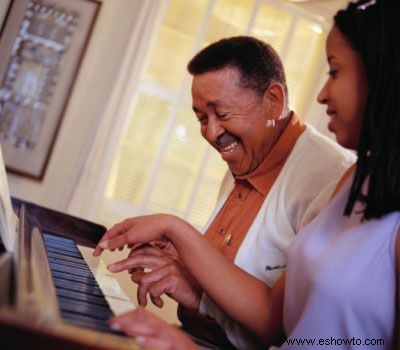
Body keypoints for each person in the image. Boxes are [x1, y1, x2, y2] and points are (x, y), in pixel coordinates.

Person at [96, 0, 400, 348]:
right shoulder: (351, 180)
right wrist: (183, 253)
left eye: (334, 72)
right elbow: (281, 316)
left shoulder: (330, 175)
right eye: (200, 118)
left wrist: (178, 235)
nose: (210, 134)